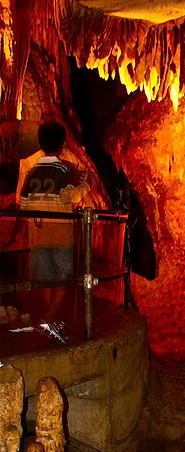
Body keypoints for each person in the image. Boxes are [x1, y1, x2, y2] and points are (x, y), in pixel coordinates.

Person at [19, 121, 89, 320]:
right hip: (61, 236)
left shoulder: (31, 172)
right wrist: (86, 186)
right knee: (62, 278)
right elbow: (73, 197)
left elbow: (23, 205)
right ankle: (49, 318)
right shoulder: (65, 171)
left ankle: (48, 317)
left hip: (38, 234)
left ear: (40, 143)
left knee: (45, 280)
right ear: (63, 143)